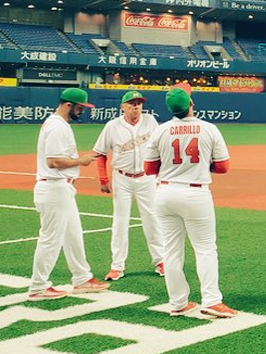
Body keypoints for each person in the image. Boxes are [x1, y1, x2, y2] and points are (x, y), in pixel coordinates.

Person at [144, 83, 237, 318]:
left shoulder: (160, 130)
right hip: (195, 193)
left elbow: (149, 168)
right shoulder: (208, 128)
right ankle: (212, 300)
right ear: (191, 105)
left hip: (164, 193)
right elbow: (223, 167)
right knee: (205, 248)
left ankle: (178, 303)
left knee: (171, 251)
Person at [27, 88, 110, 301]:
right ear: (68, 105)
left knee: (73, 234)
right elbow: (53, 161)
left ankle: (82, 278)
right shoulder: (57, 127)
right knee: (50, 239)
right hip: (53, 187)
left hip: (61, 188)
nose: (82, 111)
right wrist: (80, 161)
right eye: (80, 107)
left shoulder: (59, 125)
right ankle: (38, 286)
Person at [93, 90, 164, 281]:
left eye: (139, 103)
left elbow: (160, 147)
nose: (136, 107)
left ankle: (161, 261)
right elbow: (100, 153)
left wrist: (161, 173)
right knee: (120, 221)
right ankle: (117, 266)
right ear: (122, 107)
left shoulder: (150, 121)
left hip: (146, 178)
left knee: (152, 218)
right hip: (122, 179)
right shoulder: (112, 126)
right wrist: (103, 179)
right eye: (132, 103)